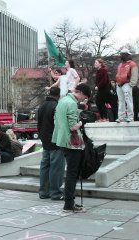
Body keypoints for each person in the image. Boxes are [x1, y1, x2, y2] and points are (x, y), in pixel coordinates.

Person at [52, 83, 92, 213]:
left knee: (71, 172)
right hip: (72, 142)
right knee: (72, 173)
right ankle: (69, 203)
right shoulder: (72, 104)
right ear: (79, 92)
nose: (83, 100)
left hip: (63, 140)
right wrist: (82, 122)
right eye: (84, 97)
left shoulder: (63, 101)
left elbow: (56, 119)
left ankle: (69, 202)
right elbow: (73, 126)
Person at [37, 86, 65, 201]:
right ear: (58, 95)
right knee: (56, 167)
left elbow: (38, 124)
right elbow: (59, 125)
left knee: (45, 166)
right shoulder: (56, 106)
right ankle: (56, 192)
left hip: (45, 140)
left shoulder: (41, 107)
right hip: (55, 141)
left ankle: (43, 191)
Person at [115, 48, 138, 123]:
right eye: (121, 54)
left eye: (122, 54)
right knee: (121, 101)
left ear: (127, 55)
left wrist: (131, 84)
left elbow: (134, 75)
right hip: (119, 85)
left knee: (128, 101)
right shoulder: (120, 64)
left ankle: (130, 117)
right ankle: (121, 117)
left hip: (127, 84)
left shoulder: (132, 64)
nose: (120, 55)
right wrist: (117, 83)